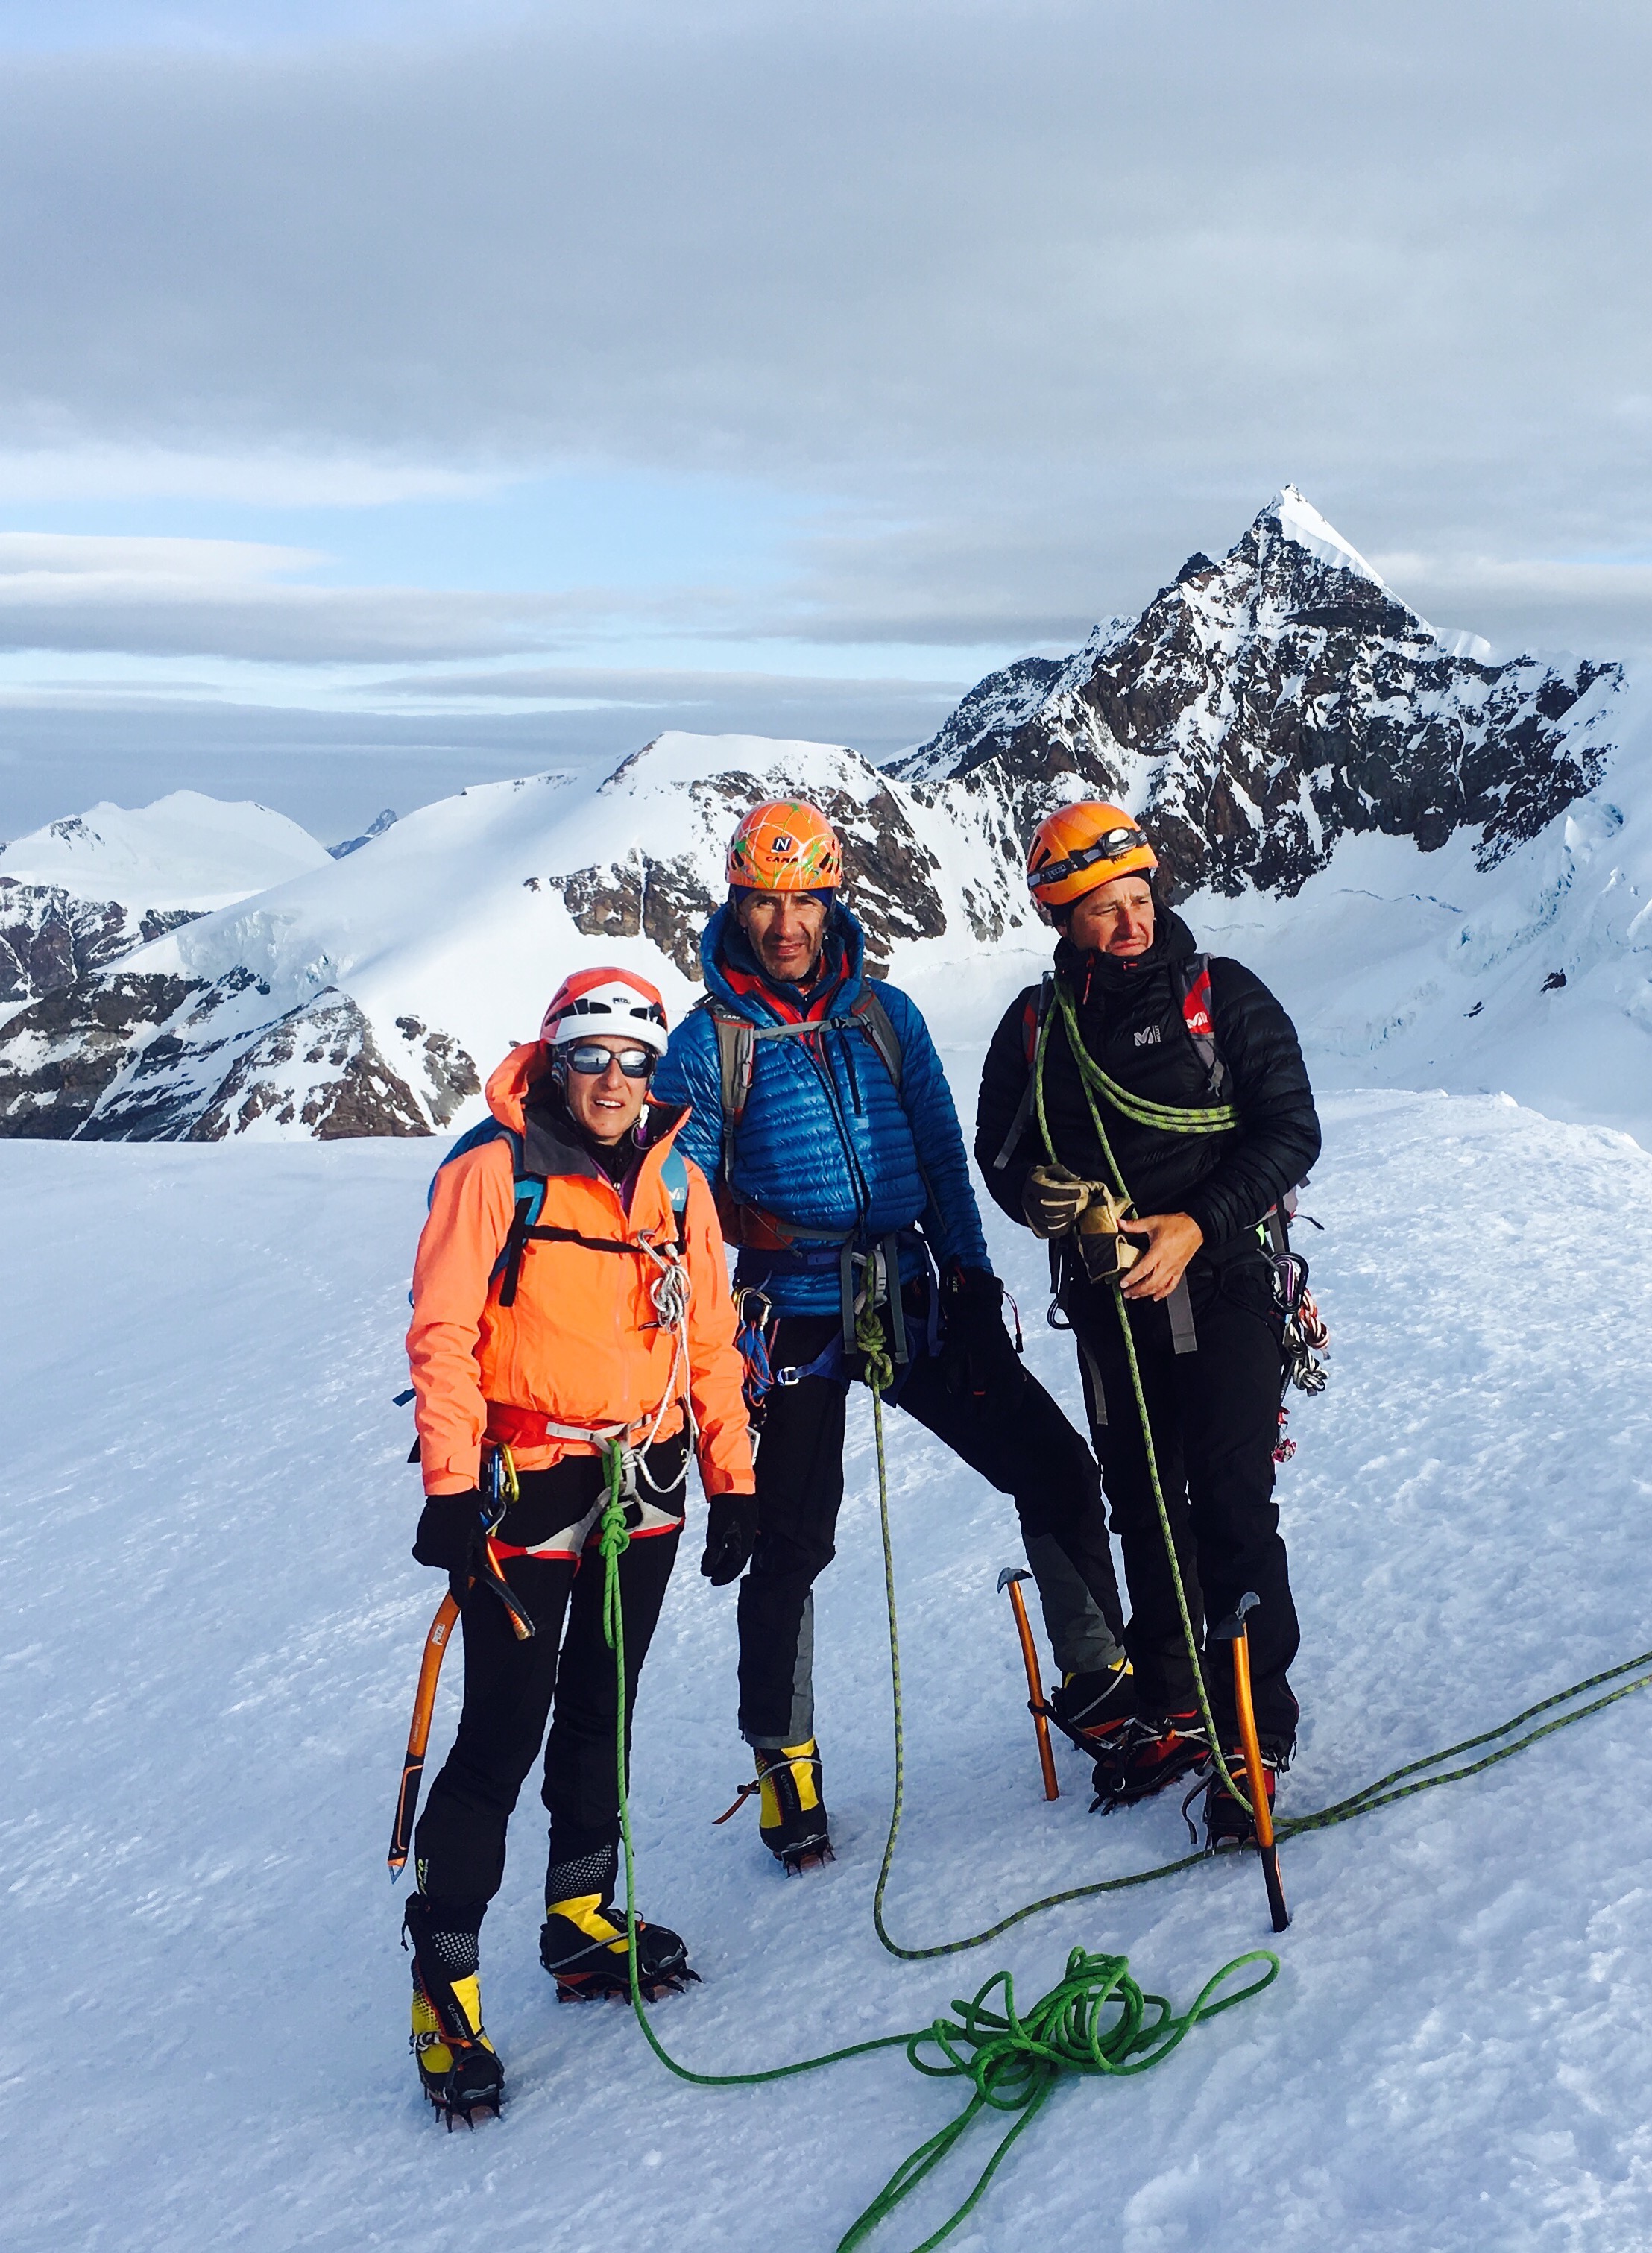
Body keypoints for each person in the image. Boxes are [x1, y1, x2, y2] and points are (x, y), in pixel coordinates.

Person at [650, 798, 1129, 1872]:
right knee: (792, 1539)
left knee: (1053, 1464)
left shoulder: (886, 1015)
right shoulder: (705, 1043)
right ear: (737, 901)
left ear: (831, 900)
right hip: (788, 1308)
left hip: (909, 1282)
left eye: (803, 898)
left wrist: (966, 1269)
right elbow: (674, 1203)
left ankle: (1100, 1683)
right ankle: (787, 1769)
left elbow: (936, 1149)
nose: (785, 922)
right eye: (766, 900)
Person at [400, 967, 756, 2126]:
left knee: (604, 1699)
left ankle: (580, 1916)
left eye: (633, 1059)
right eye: (592, 1054)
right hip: (528, 1484)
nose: (612, 1078)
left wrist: (732, 1476)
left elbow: (710, 1338)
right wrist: (452, 1488)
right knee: (503, 1724)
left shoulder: (678, 1182)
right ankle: (444, 1984)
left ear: (656, 1070)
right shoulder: (493, 1167)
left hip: (642, 1483)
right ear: (556, 1055)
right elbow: (445, 1331)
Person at [974, 803, 1321, 1846]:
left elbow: (1290, 1129)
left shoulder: (1224, 998)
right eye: (1101, 908)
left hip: (1223, 1286)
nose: (1128, 921)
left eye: (1137, 898)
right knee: (1141, 1502)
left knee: (1224, 1495)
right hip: (1108, 1303)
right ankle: (1176, 1700)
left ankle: (1249, 1727)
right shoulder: (1035, 1030)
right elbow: (1000, 1155)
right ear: (1060, 916)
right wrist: (1044, 1199)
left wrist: (1195, 1225)